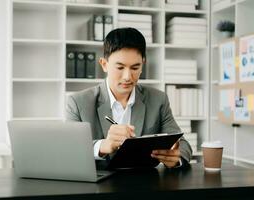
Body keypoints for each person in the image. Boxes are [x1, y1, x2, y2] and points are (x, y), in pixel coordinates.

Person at [66, 27, 192, 168]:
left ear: (142, 64)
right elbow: (69, 150)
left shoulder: (158, 99)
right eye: (120, 68)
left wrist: (176, 158)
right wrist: (102, 146)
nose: (127, 77)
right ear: (104, 64)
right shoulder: (77, 102)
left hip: (144, 184)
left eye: (134, 68)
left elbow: (184, 145)